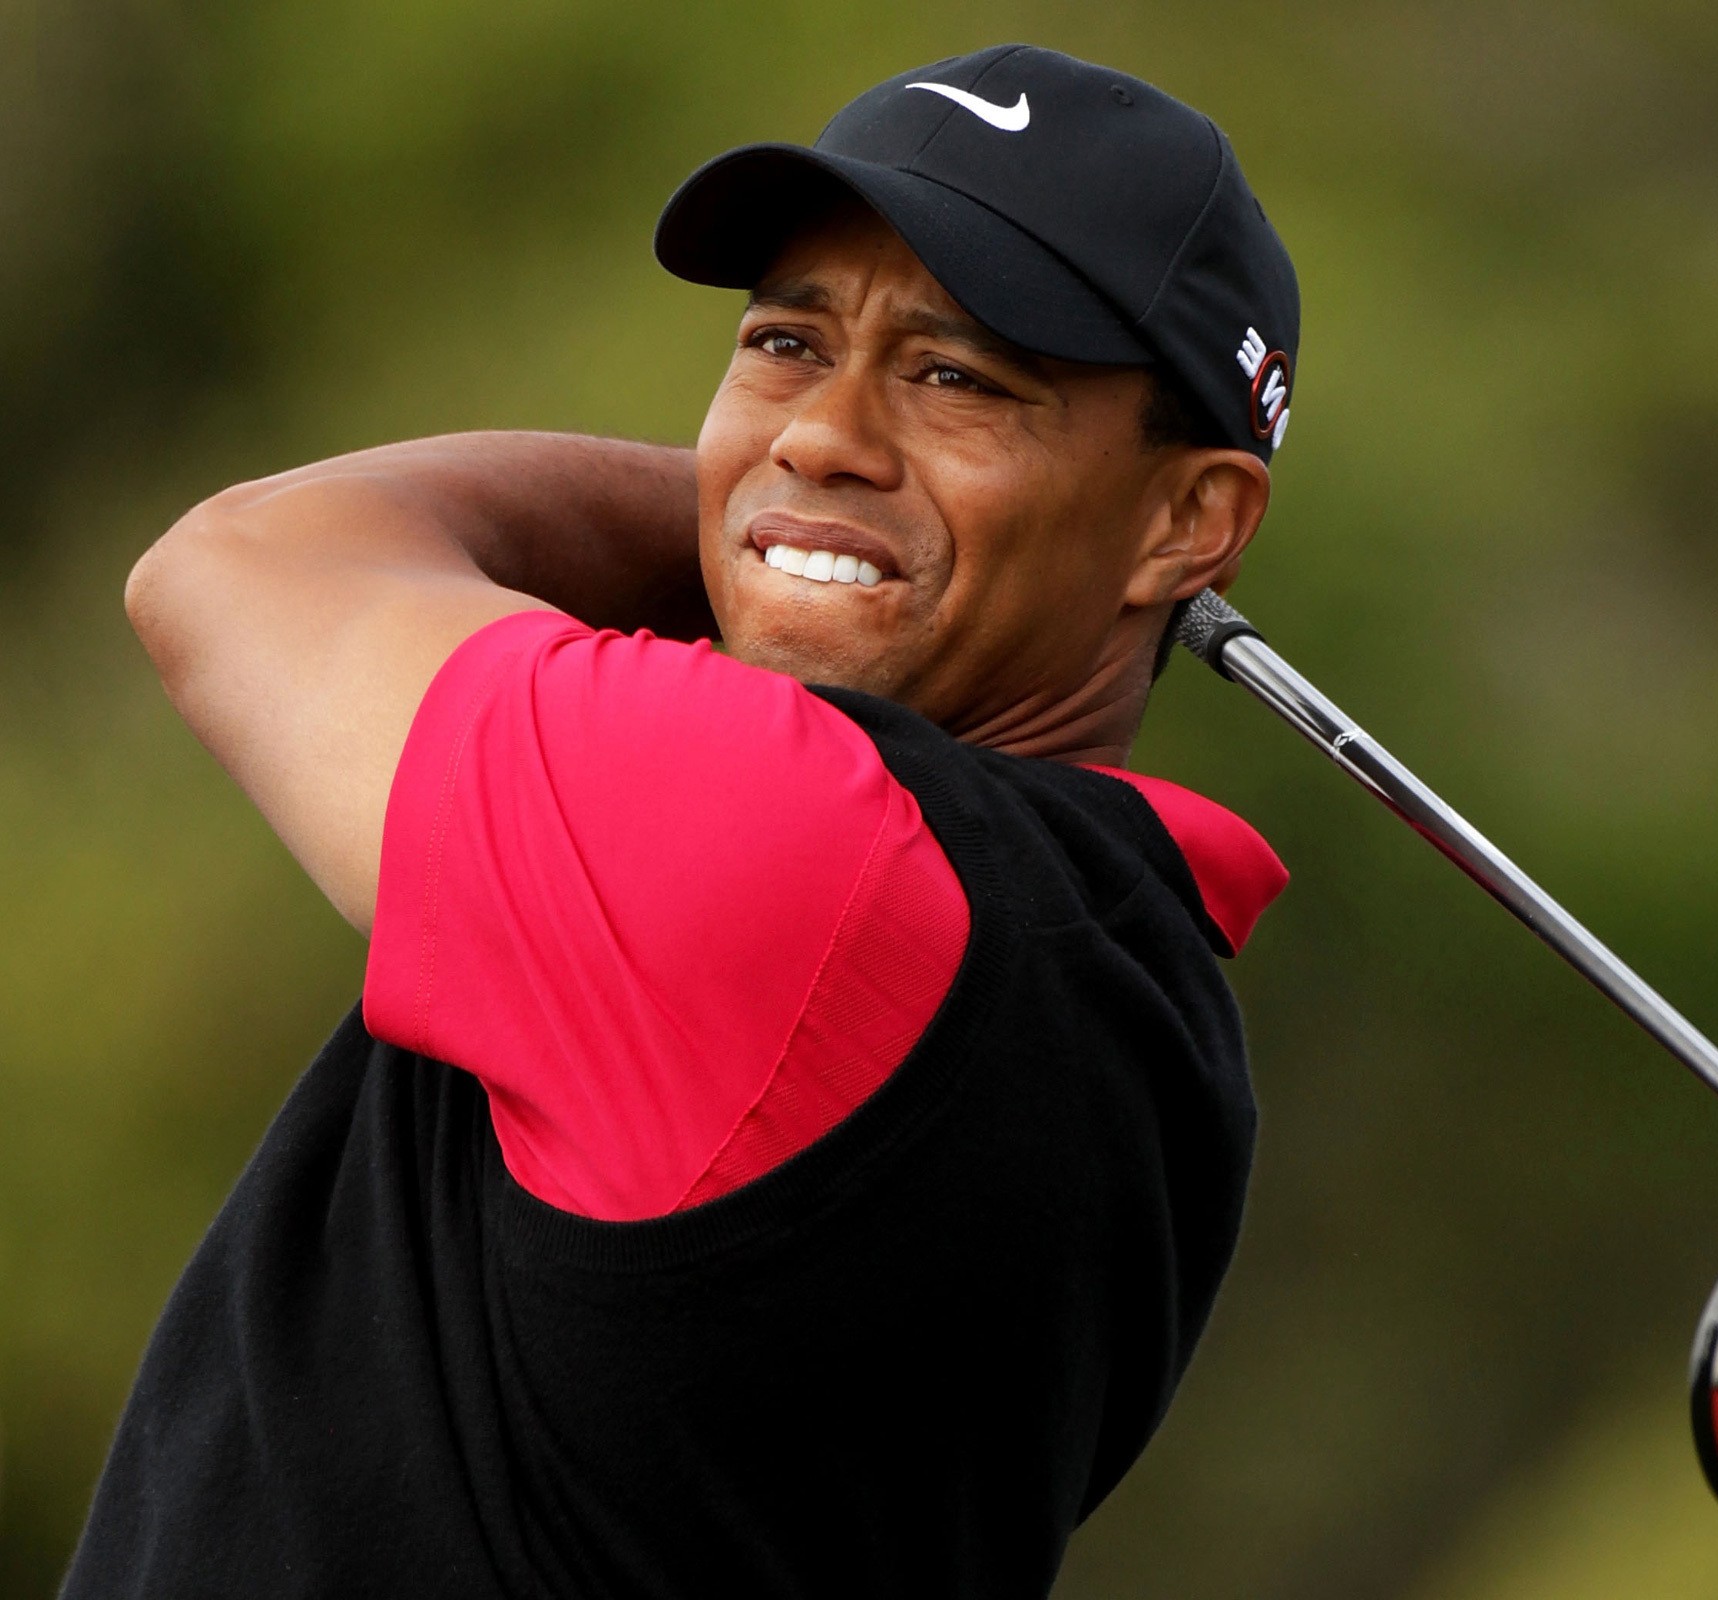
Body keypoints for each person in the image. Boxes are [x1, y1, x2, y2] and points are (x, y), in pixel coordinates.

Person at [67, 43, 1298, 1599]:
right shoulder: (1140, 986)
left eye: (958, 379)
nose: (822, 428)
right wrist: (808, 522)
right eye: (786, 344)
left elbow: (237, 563)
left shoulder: (812, 848)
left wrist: (774, 521)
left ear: (1189, 522)